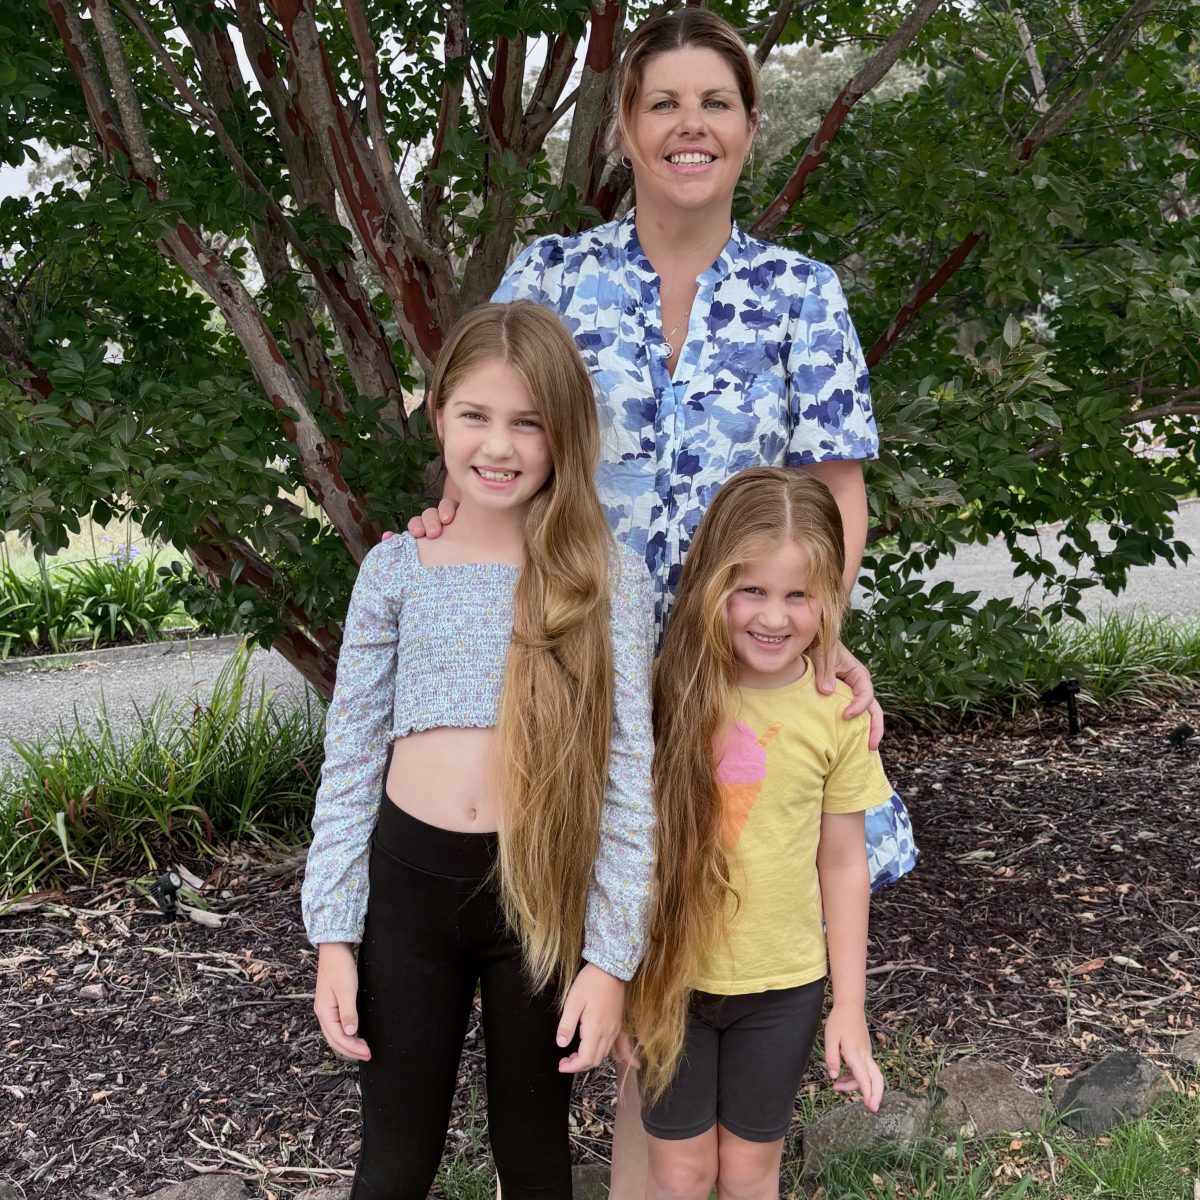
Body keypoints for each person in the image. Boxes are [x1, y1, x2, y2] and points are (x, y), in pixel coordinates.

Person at [408, 10, 917, 1188]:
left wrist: (825, 640)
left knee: (696, 965)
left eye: (717, 103)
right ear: (627, 130)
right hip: (583, 675)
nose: (691, 125)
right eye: (664, 104)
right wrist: (451, 512)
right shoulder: (553, 274)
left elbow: (837, 493)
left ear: (749, 128)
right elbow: (493, 426)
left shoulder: (801, 293)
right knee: (625, 977)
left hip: (740, 687)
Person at [302, 301, 656, 1200]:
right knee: (394, 1162)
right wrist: (334, 936)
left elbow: (625, 778)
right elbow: (348, 761)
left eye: (528, 423)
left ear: (563, 434)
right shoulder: (396, 569)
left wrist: (612, 958)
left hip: (537, 897)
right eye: (476, 415)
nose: (499, 446)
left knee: (534, 1155)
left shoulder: (602, 579)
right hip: (406, 897)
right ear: (436, 412)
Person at [629, 467, 886, 1200]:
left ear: (829, 595)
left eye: (798, 595)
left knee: (749, 1175)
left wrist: (850, 1007)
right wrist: (616, 976)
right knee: (680, 1175)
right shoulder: (665, 696)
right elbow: (621, 845)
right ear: (714, 583)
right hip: (669, 978)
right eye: (753, 590)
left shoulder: (835, 712)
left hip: (784, 988)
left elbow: (842, 864)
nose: (774, 617)